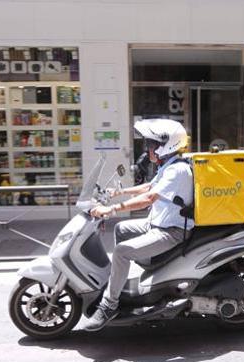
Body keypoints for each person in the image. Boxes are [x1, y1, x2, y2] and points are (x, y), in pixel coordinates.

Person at [82, 119, 193, 331]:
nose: (148, 149)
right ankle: (118, 283)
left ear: (166, 145)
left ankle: (110, 305)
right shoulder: (168, 166)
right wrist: (119, 193)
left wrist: (112, 209)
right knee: (121, 229)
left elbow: (149, 197)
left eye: (152, 144)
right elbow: (149, 186)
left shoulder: (177, 170)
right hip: (158, 224)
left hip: (172, 232)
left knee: (121, 252)